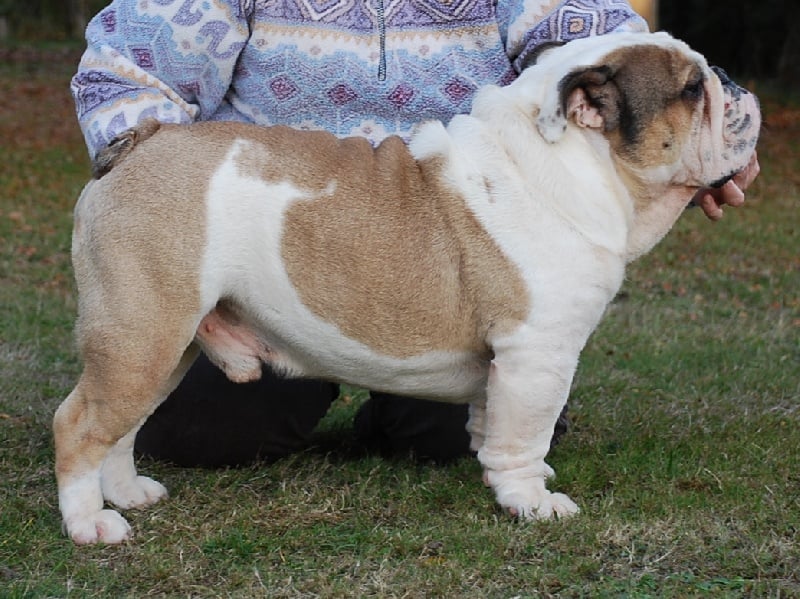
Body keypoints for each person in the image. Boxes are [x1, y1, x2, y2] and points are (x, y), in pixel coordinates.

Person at [71, 0, 759, 467]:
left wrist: (701, 136)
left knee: (460, 434)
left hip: (457, 238)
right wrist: (172, 216)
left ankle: (399, 400)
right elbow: (127, 71)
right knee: (199, 436)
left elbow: (601, 43)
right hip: (276, 252)